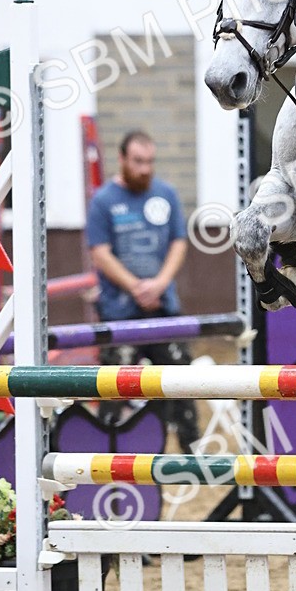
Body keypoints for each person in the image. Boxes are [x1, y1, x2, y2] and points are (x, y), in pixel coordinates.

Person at [85, 130, 200, 451]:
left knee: (181, 381)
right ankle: (106, 450)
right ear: (122, 159)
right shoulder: (104, 200)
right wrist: (135, 286)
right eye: (138, 161)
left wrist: (160, 283)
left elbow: (179, 241)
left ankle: (194, 452)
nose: (145, 169)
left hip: (163, 309)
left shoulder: (167, 194)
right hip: (119, 313)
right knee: (113, 386)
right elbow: (100, 252)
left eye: (150, 161)